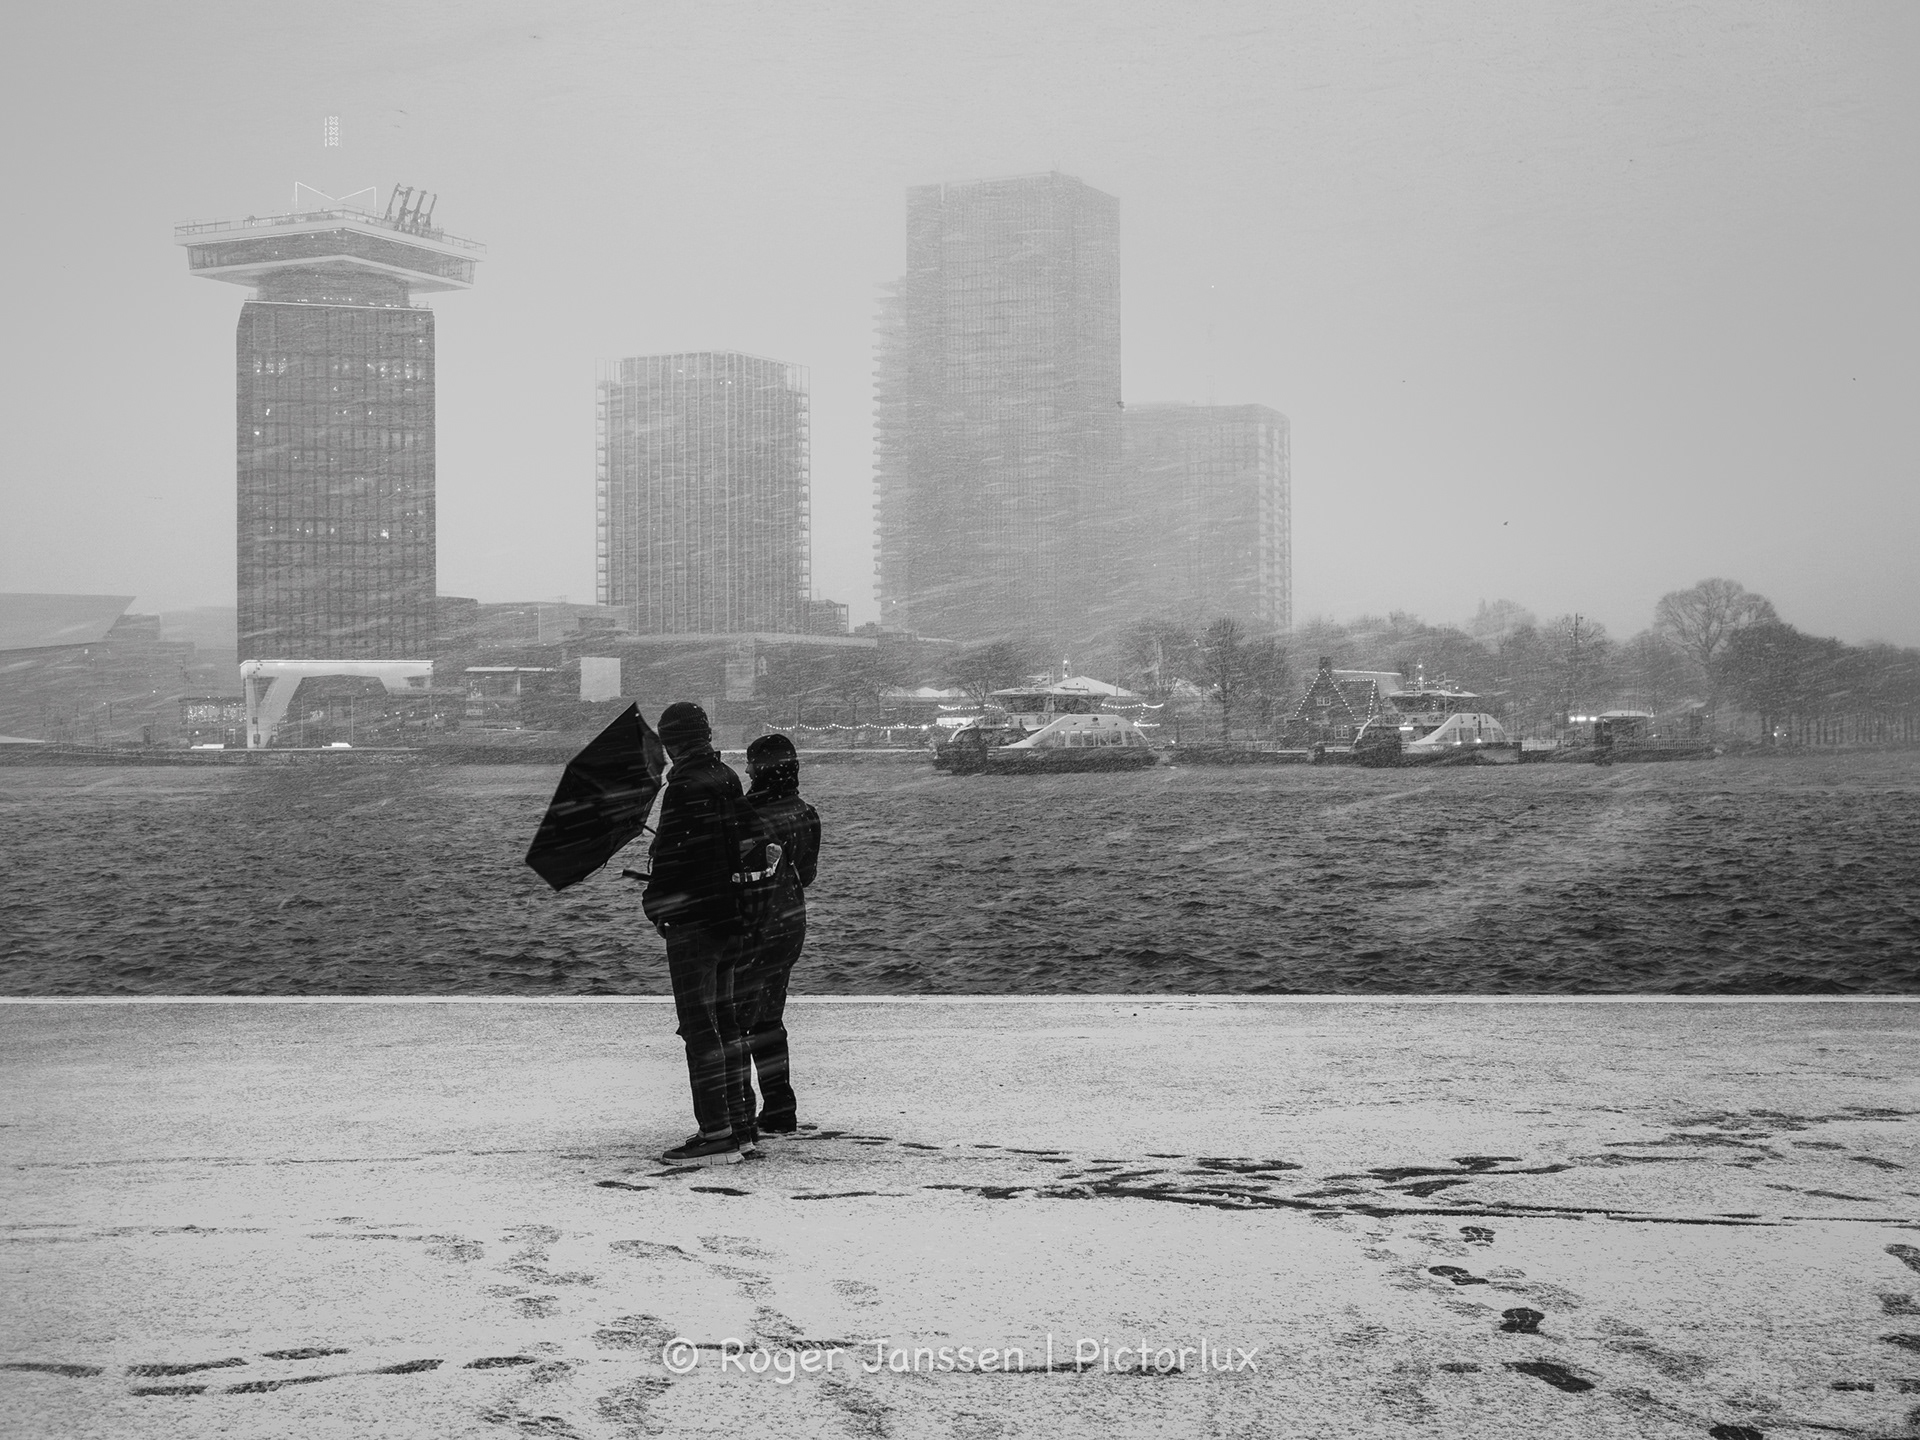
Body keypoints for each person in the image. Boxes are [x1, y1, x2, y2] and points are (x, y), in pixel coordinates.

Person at [642, 702, 753, 1167]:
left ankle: (716, 1133)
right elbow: (735, 842)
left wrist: (656, 905)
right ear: (706, 734)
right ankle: (742, 1126)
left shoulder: (684, 786)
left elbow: (672, 858)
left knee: (697, 1026)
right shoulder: (727, 776)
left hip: (694, 922)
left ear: (672, 742)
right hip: (731, 917)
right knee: (726, 1023)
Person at [733, 733, 820, 1137]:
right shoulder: (807, 813)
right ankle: (780, 1106)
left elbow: (740, 877)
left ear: (762, 768)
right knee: (769, 1018)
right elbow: (807, 873)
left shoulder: (747, 816)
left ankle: (742, 1112)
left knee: (735, 1019)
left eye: (751, 762)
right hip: (790, 924)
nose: (747, 769)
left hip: (755, 926)